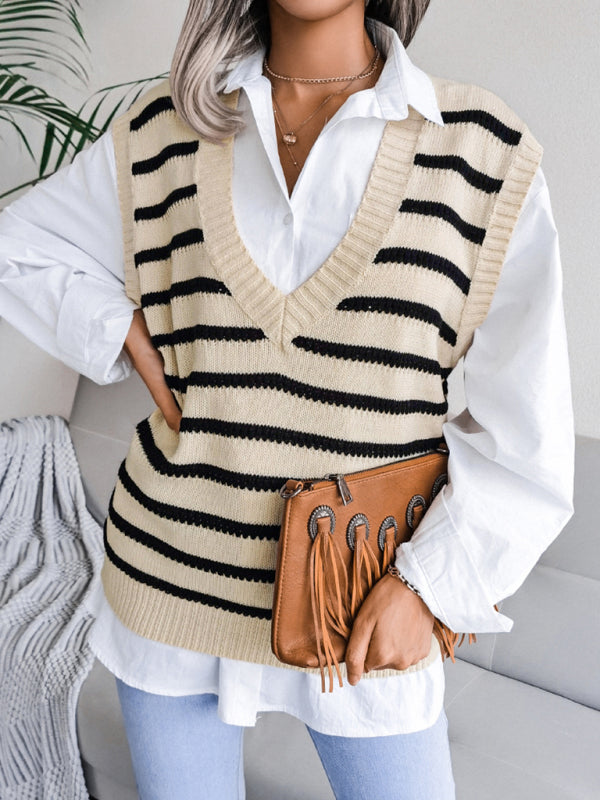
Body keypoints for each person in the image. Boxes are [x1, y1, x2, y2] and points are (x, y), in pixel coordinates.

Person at [0, 1, 575, 798]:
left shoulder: (482, 153)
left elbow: (527, 437)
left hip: (364, 602)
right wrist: (119, 331)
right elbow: (19, 245)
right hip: (168, 588)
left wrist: (430, 589)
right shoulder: (161, 133)